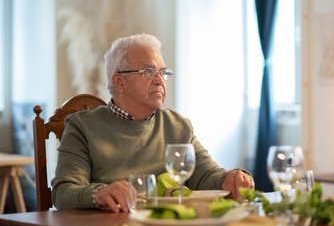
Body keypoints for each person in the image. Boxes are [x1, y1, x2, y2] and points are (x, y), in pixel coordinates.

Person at [51, 33, 254, 213]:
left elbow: (207, 175)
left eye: (163, 73)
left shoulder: (178, 125)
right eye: (148, 71)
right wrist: (98, 193)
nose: (160, 81)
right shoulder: (82, 126)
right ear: (119, 82)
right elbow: (64, 192)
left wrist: (229, 178)